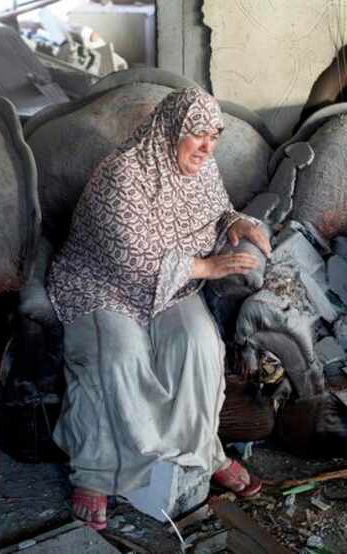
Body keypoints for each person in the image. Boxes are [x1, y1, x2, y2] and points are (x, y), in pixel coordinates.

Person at [47, 87, 272, 530]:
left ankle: (204, 454)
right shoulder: (123, 174)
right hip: (103, 287)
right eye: (197, 135)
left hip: (174, 285)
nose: (208, 146)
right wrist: (207, 266)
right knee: (117, 359)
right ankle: (98, 473)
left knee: (200, 349)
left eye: (214, 135)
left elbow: (216, 211)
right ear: (171, 131)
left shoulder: (202, 170)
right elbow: (131, 260)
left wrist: (236, 221)